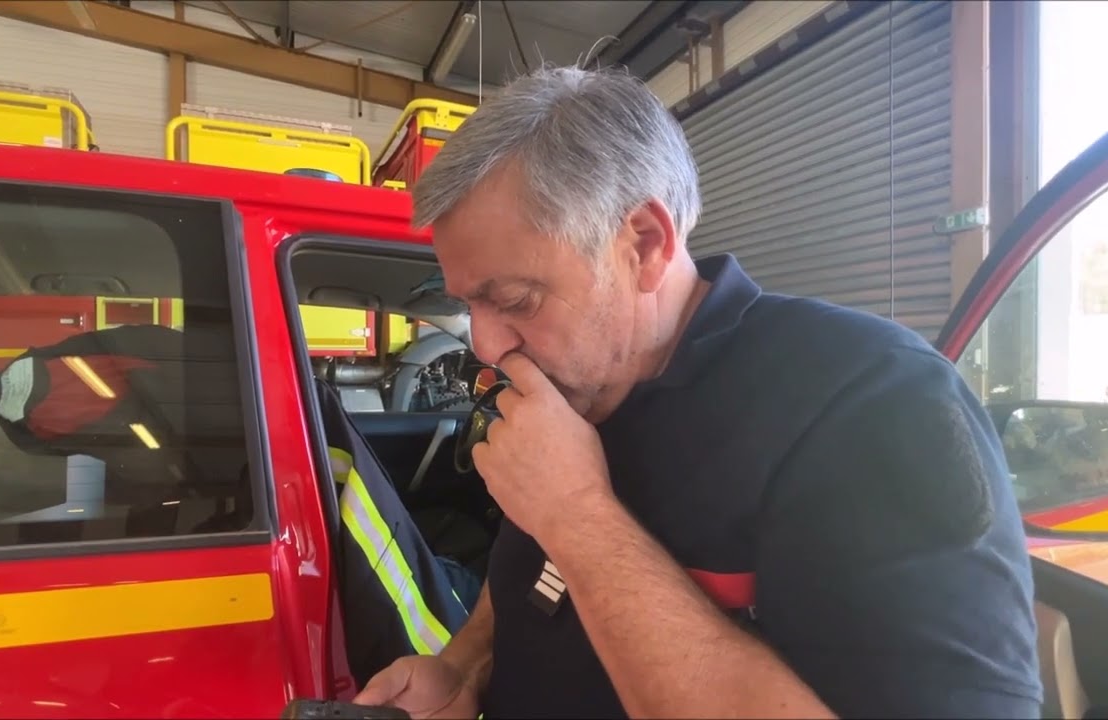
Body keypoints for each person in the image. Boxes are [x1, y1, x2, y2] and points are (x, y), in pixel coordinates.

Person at [353, 64, 1043, 719]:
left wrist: (578, 515)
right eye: (468, 305)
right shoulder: (573, 384)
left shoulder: (876, 407)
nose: (484, 344)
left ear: (645, 244)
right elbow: (534, 576)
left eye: (514, 299)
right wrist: (465, 666)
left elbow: (568, 532)